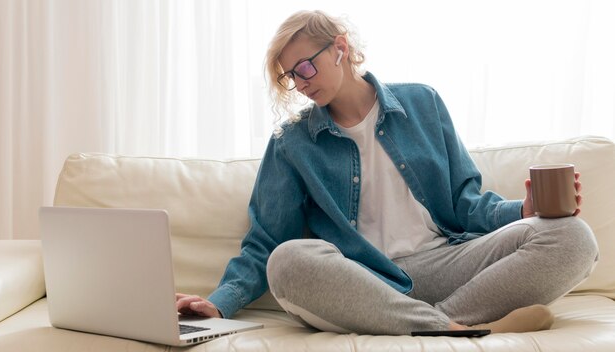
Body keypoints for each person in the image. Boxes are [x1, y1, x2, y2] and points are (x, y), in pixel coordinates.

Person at [176, 10, 599, 335]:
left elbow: (464, 203)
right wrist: (219, 304)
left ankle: (441, 325)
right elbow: (267, 241)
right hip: (363, 281)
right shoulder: (292, 142)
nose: (300, 83)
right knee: (288, 261)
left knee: (572, 236)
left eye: (304, 67)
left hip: (446, 264)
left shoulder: (422, 103)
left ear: (340, 47)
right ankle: (456, 327)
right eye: (290, 77)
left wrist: (523, 210)